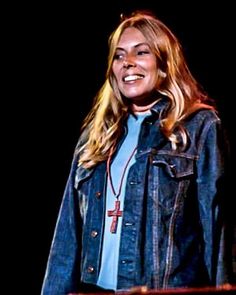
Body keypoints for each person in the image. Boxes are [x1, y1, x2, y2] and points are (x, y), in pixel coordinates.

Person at [41, 10, 234, 294]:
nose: (127, 63)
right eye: (118, 56)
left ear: (164, 63)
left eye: (141, 52)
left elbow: (217, 231)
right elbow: (66, 237)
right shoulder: (95, 135)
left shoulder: (199, 128)